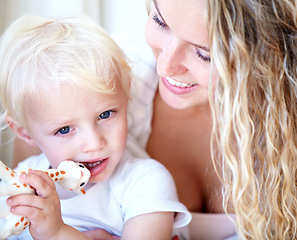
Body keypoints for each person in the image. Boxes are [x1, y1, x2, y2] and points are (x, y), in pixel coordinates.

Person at [12, 0, 297, 239]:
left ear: (268, 53)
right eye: (161, 22)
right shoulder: (86, 81)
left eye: (205, 54)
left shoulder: (143, 177)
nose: (165, 66)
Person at [0, 15, 191, 240]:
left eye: (105, 114)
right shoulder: (21, 184)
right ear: (24, 133)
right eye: (64, 130)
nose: (93, 143)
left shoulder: (146, 183)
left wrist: (58, 233)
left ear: (125, 95)